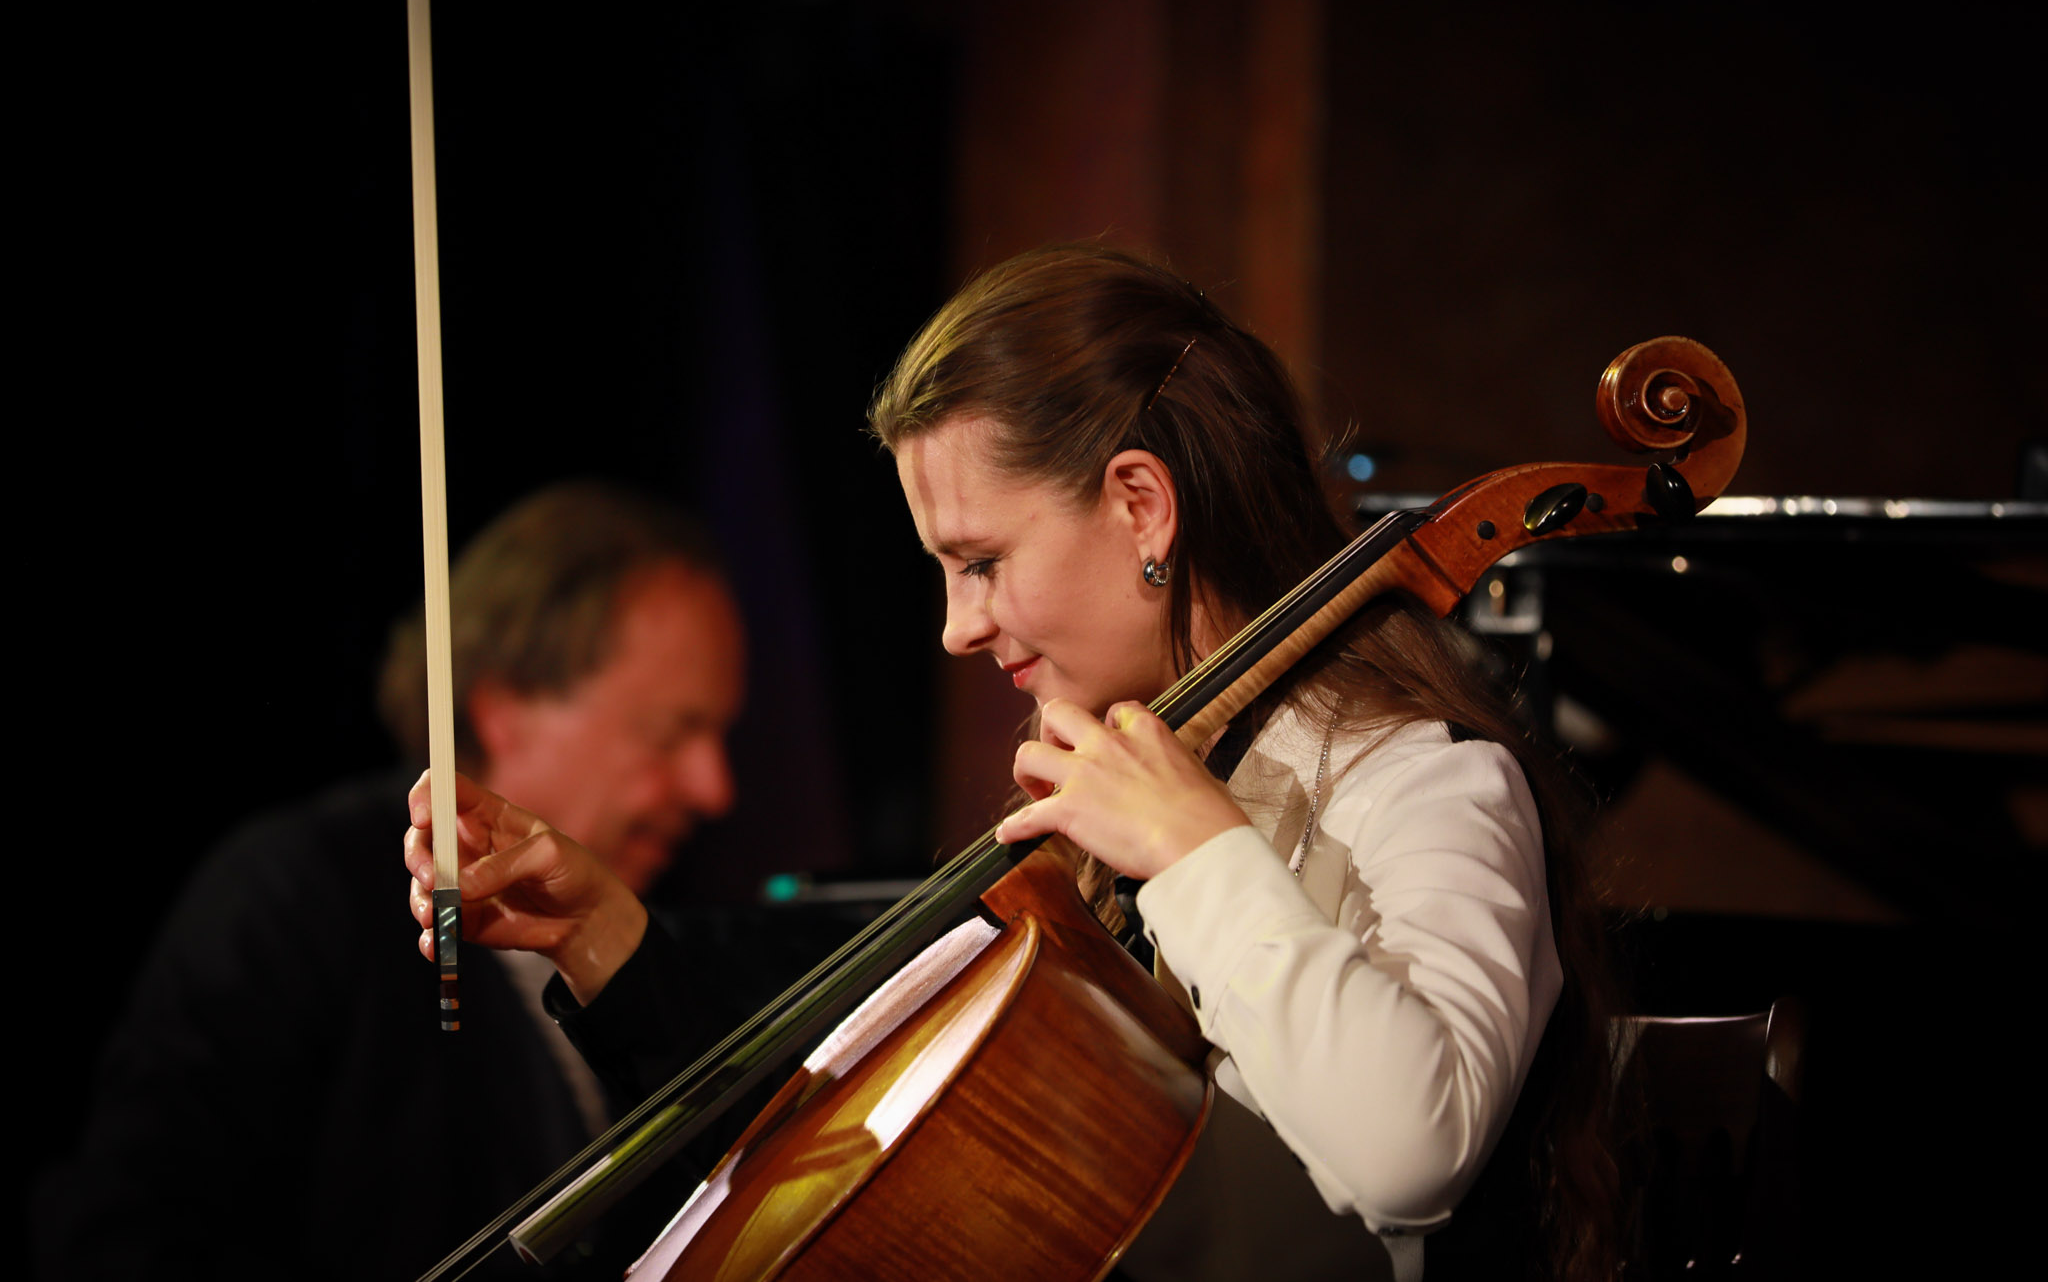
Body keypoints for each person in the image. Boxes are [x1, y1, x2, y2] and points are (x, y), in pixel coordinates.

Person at [406, 247, 1617, 1280]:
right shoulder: (1102, 807)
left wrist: (1197, 853)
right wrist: (603, 939)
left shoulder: (1422, 785)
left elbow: (1410, 1152)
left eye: (978, 560)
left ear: (1141, 505)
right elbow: (830, 1161)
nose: (955, 625)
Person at [38, 481, 746, 1281]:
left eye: (718, 733)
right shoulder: (292, 897)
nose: (713, 787)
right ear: (504, 706)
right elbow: (125, 1239)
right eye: (671, 731)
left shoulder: (665, 943)